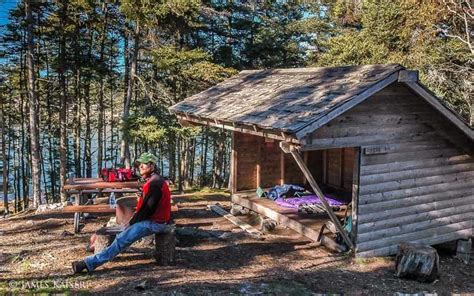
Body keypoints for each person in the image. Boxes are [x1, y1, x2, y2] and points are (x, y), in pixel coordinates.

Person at [72, 152, 171, 273]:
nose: (140, 167)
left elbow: (147, 210)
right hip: (155, 220)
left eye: (143, 165)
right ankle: (90, 260)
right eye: (140, 164)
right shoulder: (154, 180)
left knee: (121, 240)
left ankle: (88, 264)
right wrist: (141, 198)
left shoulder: (155, 183)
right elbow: (149, 205)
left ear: (152, 166)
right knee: (121, 235)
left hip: (156, 223)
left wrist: (131, 223)